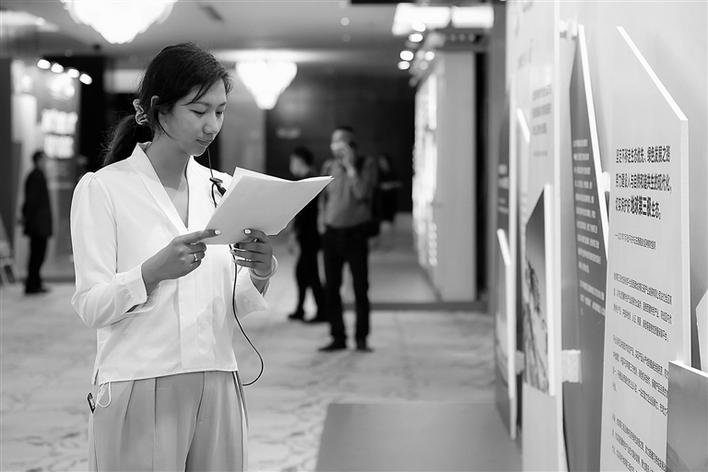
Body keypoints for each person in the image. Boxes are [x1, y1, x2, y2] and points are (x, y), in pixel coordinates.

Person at [70, 43, 276, 471]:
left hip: (218, 378)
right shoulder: (104, 189)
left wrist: (259, 272)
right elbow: (91, 305)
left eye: (220, 111)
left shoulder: (222, 188)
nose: (211, 125)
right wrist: (150, 273)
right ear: (158, 110)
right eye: (198, 111)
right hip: (139, 380)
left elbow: (231, 304)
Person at [318, 126, 378, 352]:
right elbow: (322, 199)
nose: (336, 147)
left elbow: (363, 193)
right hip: (331, 235)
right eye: (333, 142)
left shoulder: (366, 165)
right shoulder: (328, 166)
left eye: (341, 142)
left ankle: (361, 338)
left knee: (360, 288)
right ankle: (338, 337)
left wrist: (351, 167)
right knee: (331, 288)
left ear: (352, 144)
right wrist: (321, 222)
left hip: (355, 235)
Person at [287, 146, 327, 323]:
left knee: (310, 273)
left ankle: (322, 311)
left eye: (292, 161)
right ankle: (301, 308)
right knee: (303, 272)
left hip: (311, 235)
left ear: (300, 161)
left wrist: (294, 233)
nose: (291, 165)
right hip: (309, 235)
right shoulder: (310, 179)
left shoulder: (309, 182)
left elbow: (303, 214)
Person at [22, 150, 52, 294]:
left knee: (38, 255)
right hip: (38, 226)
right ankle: (32, 285)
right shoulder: (36, 176)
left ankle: (35, 283)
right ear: (39, 160)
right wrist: (31, 223)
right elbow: (32, 202)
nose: (46, 162)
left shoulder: (37, 175)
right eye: (44, 159)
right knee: (37, 255)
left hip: (38, 224)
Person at [371, 153, 401, 250]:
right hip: (380, 201)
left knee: (389, 224)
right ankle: (377, 242)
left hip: (390, 201)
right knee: (378, 223)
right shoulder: (378, 173)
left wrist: (390, 186)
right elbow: (374, 185)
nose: (382, 163)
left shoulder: (393, 172)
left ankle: (387, 244)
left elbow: (399, 183)